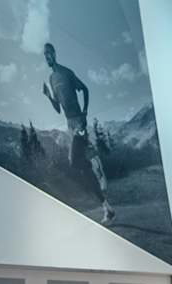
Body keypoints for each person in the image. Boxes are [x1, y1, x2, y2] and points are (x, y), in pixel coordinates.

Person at [41, 43, 115, 225]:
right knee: (82, 169)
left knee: (74, 160)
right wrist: (48, 96)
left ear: (54, 53)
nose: (47, 57)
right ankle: (107, 208)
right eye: (44, 55)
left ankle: (95, 162)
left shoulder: (66, 73)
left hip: (79, 120)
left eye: (49, 53)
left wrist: (85, 112)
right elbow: (58, 109)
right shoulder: (51, 79)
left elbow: (86, 90)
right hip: (69, 123)